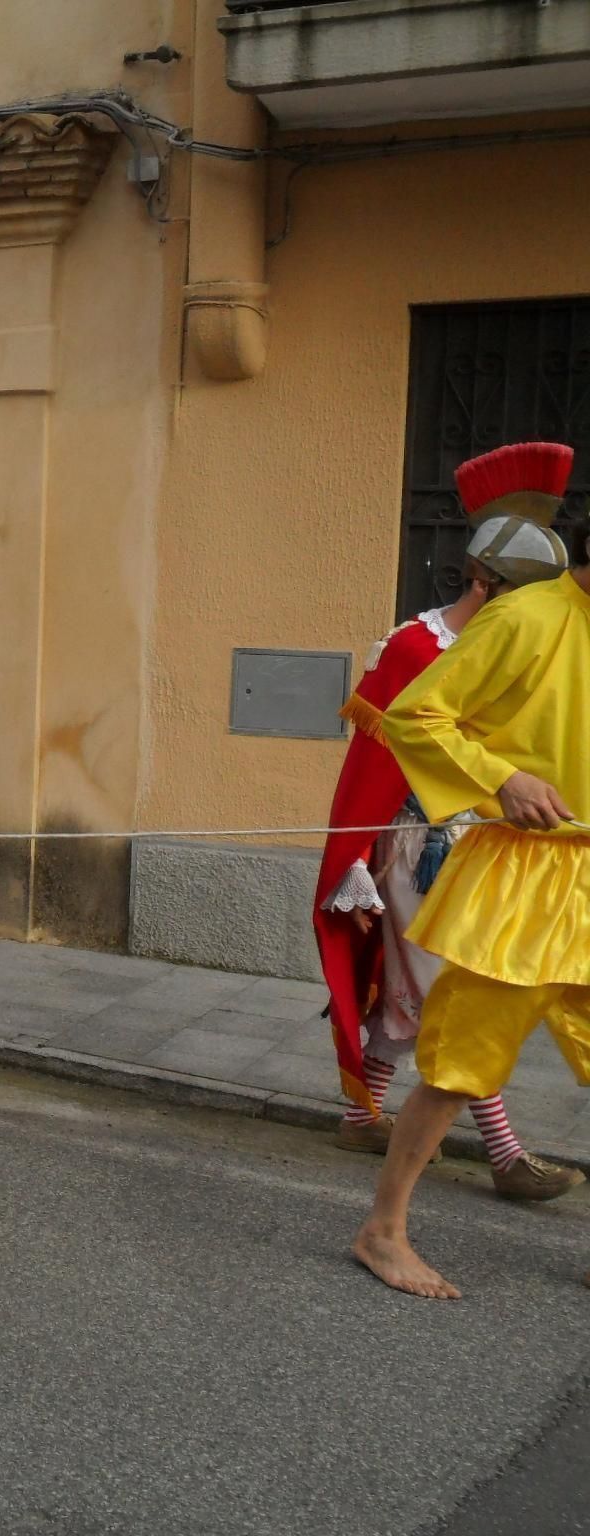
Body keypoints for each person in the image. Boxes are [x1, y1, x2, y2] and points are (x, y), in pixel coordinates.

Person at [350, 452, 590, 1300]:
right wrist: (503, 779)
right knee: (460, 1065)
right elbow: (417, 716)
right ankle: (382, 1232)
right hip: (523, 882)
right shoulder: (526, 618)